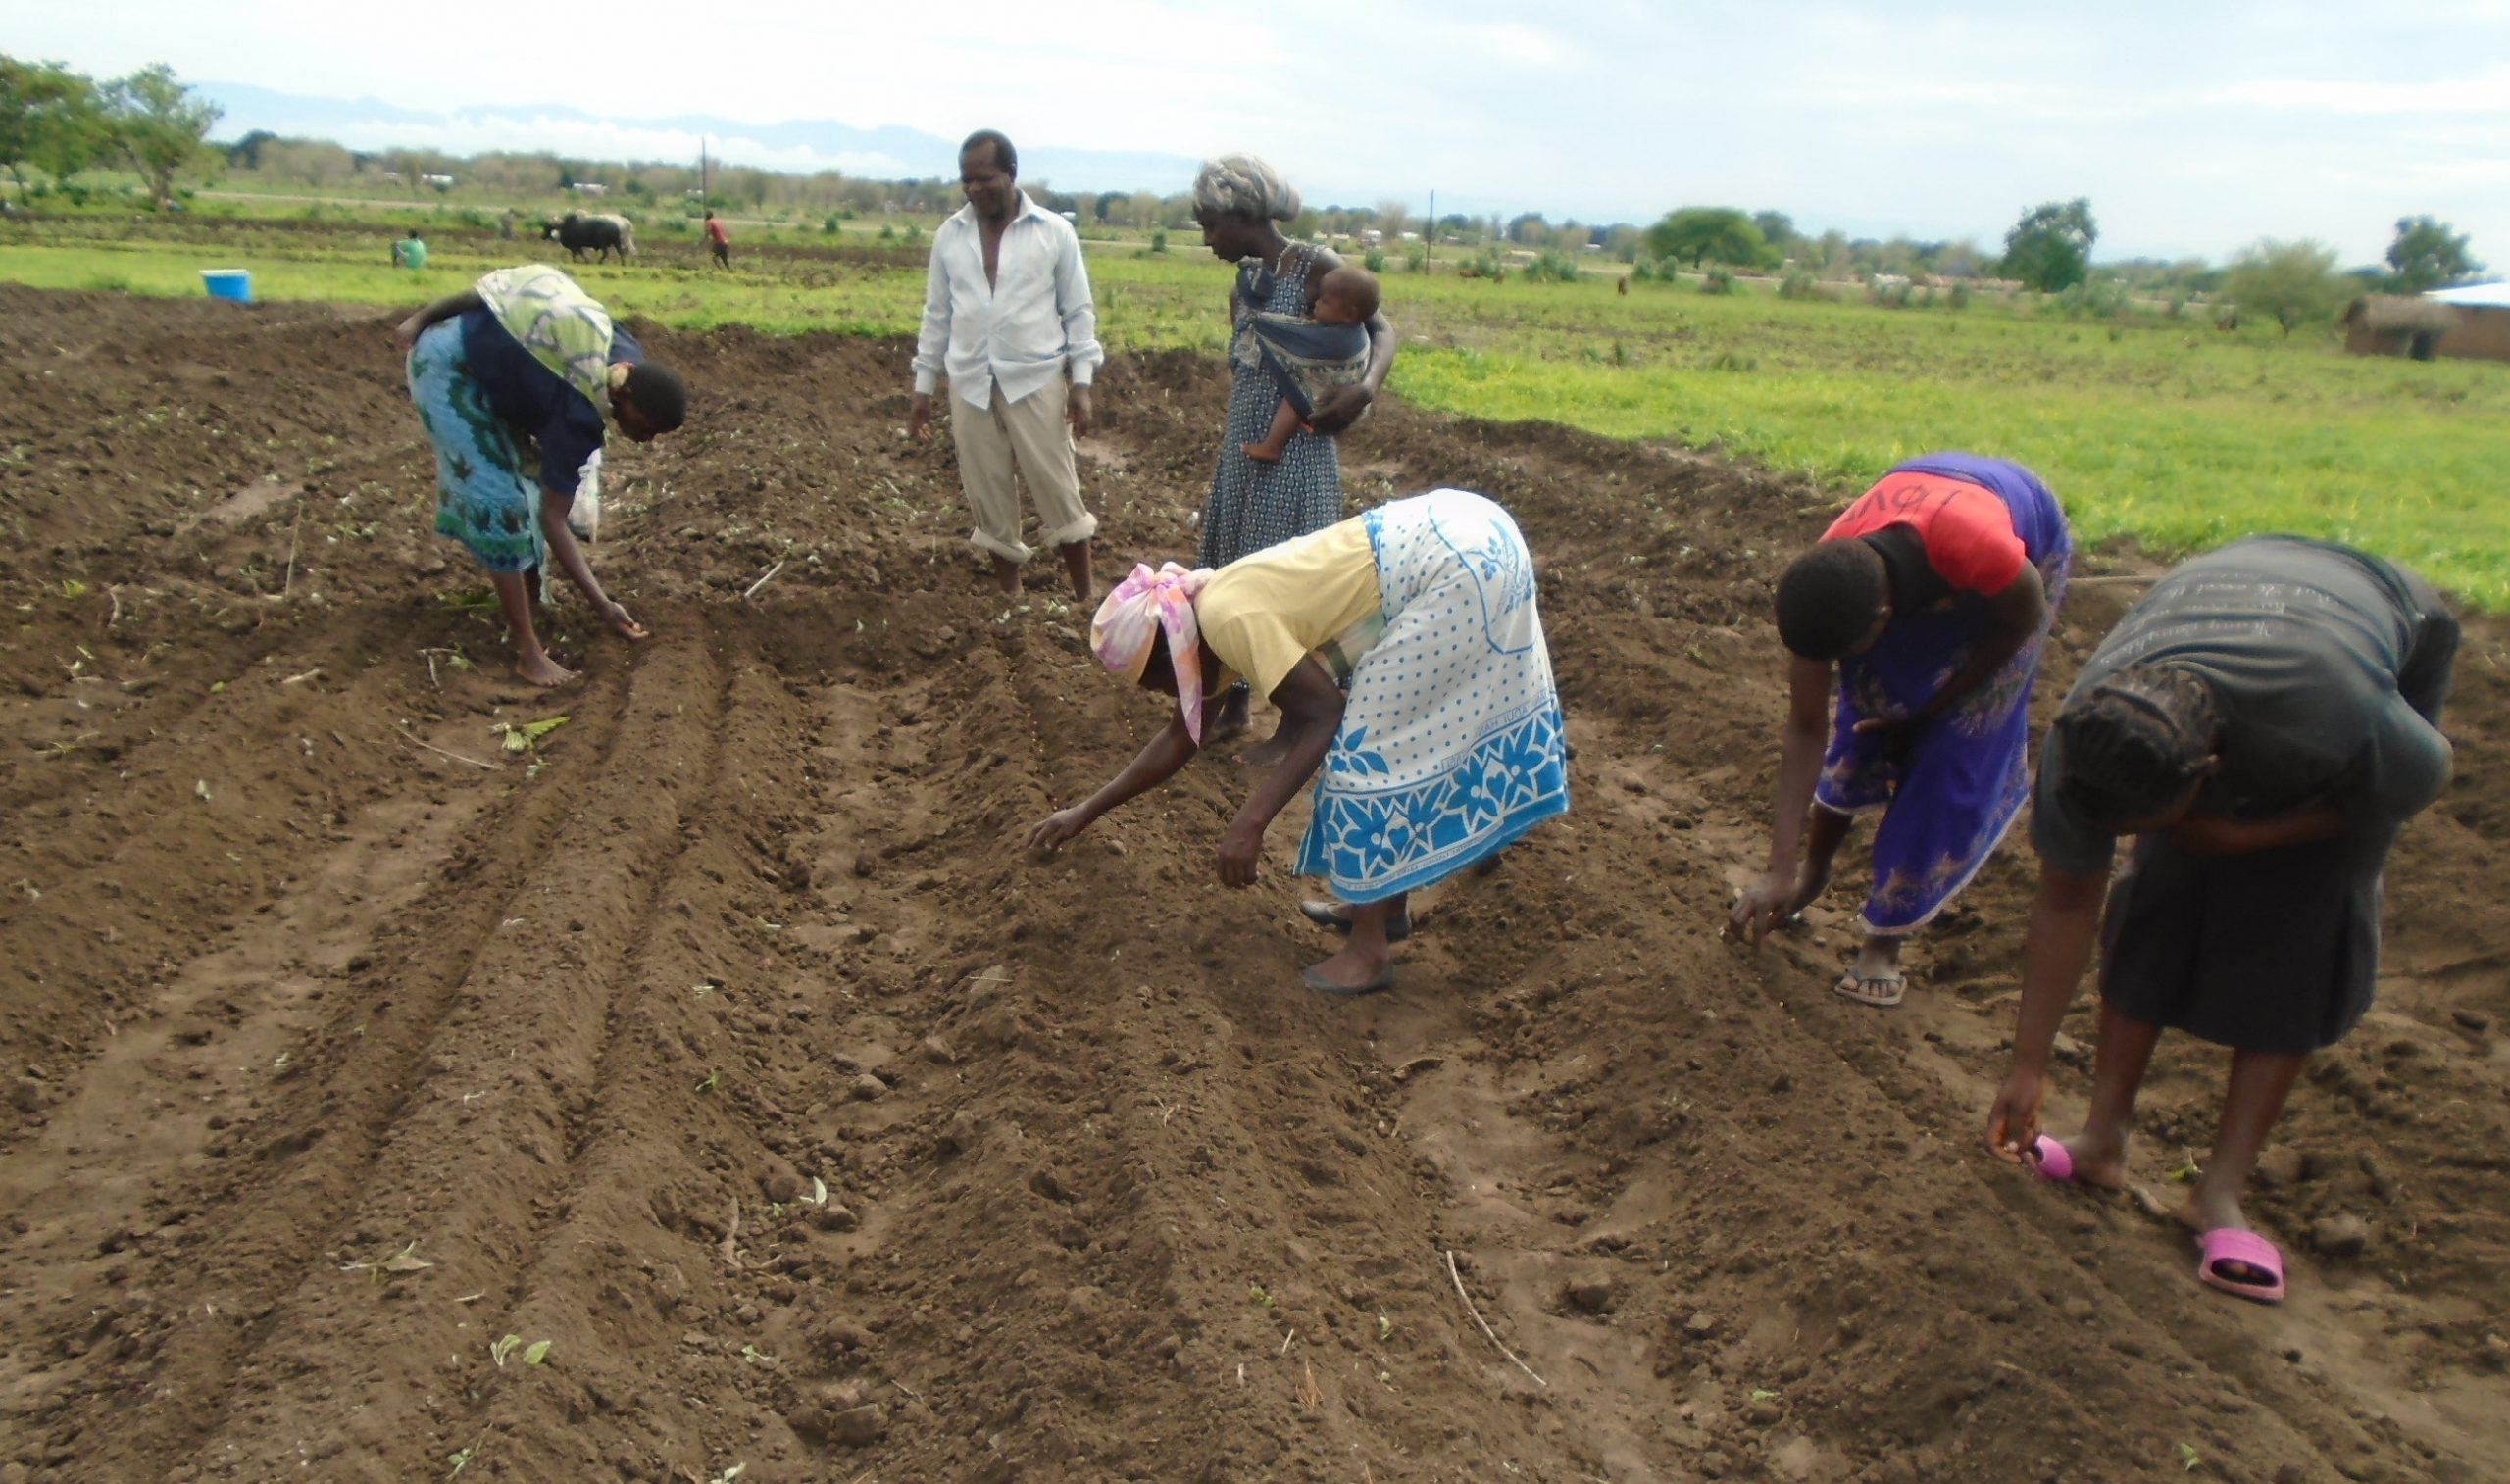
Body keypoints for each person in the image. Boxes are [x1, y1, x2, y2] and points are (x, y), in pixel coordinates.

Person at [1984, 536, 2458, 1306]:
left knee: (2308, 915)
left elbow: (2420, 780)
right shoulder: (2092, 736)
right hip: (2234, 596)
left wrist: (2248, 836)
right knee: (2157, 893)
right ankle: (2103, 1140)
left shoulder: (2342, 719)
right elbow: (2068, 900)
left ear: (2206, 773)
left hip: (2373, 629)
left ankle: (2221, 1191)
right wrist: (2028, 1066)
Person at [1028, 489, 1570, 995]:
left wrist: (1250, 822)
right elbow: (1180, 737)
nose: (1164, 694)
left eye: (1156, 681)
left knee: (1369, 757)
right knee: (1388, 735)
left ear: (1172, 652)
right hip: (1469, 529)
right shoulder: (1204, 616)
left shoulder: (1225, 618)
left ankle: (1369, 949)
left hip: (1456, 567)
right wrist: (1085, 811)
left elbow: (1323, 714)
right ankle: (1384, 908)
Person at [1730, 454, 2070, 1006]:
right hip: (1923, 530)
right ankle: (1813, 874)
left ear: (1884, 614)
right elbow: (1807, 727)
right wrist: (1781, 868)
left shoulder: (1979, 549)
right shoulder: (1828, 578)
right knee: (1871, 707)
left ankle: (1886, 938)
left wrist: (1936, 703)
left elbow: (2020, 615)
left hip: (2015, 570)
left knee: (1952, 744)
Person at [394, 263, 687, 686]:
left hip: (491, 366)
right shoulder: (582, 407)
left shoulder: (622, 355)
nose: (646, 439)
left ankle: (529, 603)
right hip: (445, 366)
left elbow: (518, 293)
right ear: (624, 395)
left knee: (527, 488)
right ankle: (528, 653)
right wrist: (602, 604)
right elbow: (555, 519)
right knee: (503, 501)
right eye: (646, 426)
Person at [1190, 155, 1397, 753]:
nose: (1206, 239)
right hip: (1245, 446)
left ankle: (1300, 719)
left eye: (1211, 224)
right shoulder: (1247, 280)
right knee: (1231, 572)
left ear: (1244, 213)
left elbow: (1383, 331)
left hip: (1297, 454)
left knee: (1288, 581)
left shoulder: (1316, 268)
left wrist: (1363, 390)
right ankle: (1232, 705)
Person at [908, 128, 1101, 601]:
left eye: (985, 179)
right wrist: (923, 388)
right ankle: (1011, 598)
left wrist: (1081, 383)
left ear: (1011, 174)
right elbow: (937, 314)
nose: (975, 190)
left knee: (1058, 487)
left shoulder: (1054, 232)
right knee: (987, 491)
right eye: (966, 181)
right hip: (970, 380)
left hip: (1035, 377)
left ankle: (1085, 598)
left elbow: (1078, 311)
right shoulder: (950, 236)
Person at [1240, 264, 1380, 463]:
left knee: (1294, 398)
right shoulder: (1349, 327)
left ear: (1349, 314)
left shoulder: (1338, 341)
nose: (1316, 304)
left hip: (1329, 396)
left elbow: (1302, 340)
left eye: (1324, 301)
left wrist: (1263, 324)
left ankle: (1273, 446)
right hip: (1337, 395)